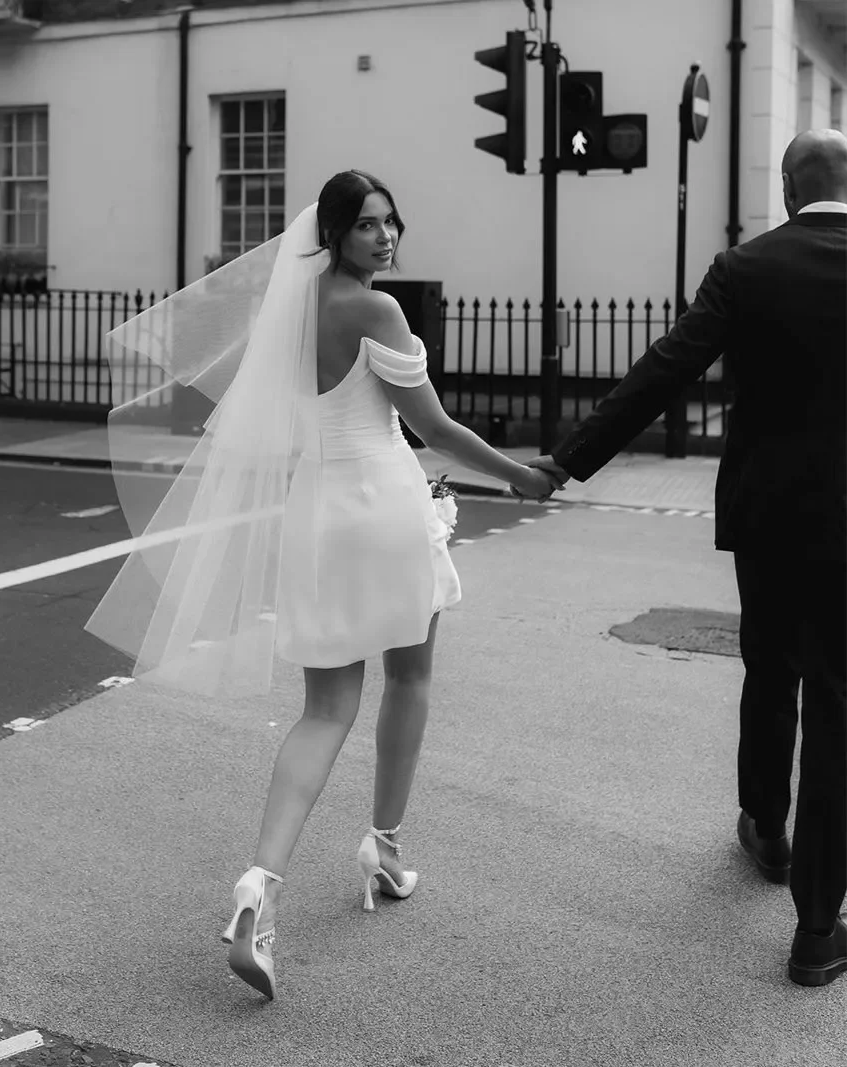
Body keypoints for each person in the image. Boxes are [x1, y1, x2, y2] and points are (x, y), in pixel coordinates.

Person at [86, 170, 561, 1001]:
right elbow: (435, 427)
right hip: (381, 504)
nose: (385, 239)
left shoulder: (290, 311)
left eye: (391, 224)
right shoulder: (375, 309)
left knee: (325, 708)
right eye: (369, 226)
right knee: (409, 676)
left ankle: (261, 884)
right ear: (335, 233)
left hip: (316, 512)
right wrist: (519, 476)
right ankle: (384, 848)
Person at [527, 129, 847, 987]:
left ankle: (765, 829)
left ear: (788, 187)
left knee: (770, 668)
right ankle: (819, 931)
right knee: (840, 709)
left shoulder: (745, 268)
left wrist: (571, 456)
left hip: (770, 516)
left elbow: (667, 368)